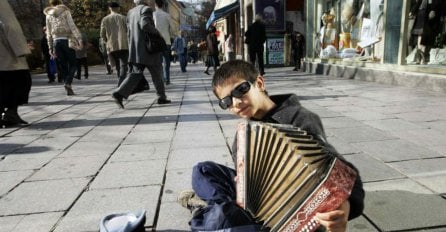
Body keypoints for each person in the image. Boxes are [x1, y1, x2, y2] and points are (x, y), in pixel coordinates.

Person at [179, 60, 365, 232]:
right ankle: (217, 209)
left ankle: (212, 211)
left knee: (221, 219)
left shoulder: (299, 118)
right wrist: (242, 182)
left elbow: (341, 171)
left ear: (259, 83)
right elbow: (247, 179)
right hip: (255, 203)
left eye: (240, 90)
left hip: (287, 212)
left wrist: (345, 206)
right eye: (226, 101)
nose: (235, 102)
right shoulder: (243, 134)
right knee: (203, 170)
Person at [111, 0, 171, 109]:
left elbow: (129, 31)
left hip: (136, 48)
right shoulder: (146, 9)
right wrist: (158, 32)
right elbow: (145, 25)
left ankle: (119, 93)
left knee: (135, 73)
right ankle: (162, 97)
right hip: (148, 49)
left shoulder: (130, 12)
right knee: (157, 73)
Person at [0, 1, 32, 127]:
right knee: (20, 82)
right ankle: (11, 113)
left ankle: (8, 113)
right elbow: (9, 25)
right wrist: (22, 49)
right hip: (8, 55)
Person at [44, 0, 83, 96]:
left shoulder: (48, 15)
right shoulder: (65, 11)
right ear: (60, 2)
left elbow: (48, 33)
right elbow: (72, 26)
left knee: (63, 65)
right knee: (74, 63)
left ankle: (68, 86)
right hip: (67, 40)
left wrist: (50, 48)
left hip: (56, 42)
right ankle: (68, 83)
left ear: (51, 4)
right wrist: (79, 39)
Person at [100, 2, 129, 85]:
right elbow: (128, 31)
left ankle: (120, 80)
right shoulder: (123, 18)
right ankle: (121, 82)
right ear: (118, 8)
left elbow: (102, 34)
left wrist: (107, 41)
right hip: (123, 44)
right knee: (124, 65)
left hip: (111, 45)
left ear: (110, 8)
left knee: (117, 65)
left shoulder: (105, 19)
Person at [153, 0, 175, 85]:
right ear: (163, 6)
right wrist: (172, 35)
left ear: (155, 5)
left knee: (158, 62)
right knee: (167, 62)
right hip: (166, 41)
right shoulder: (167, 15)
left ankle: (160, 79)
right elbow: (173, 28)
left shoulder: (153, 15)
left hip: (156, 41)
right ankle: (167, 79)